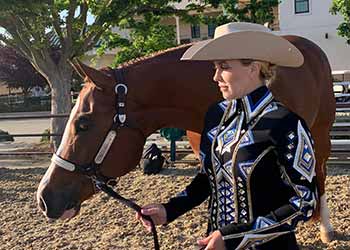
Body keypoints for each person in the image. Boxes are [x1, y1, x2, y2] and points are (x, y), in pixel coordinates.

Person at [136, 22, 317, 250]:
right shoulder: (215, 116)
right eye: (215, 67)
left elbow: (304, 202)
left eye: (223, 67)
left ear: (253, 67)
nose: (215, 77)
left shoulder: (286, 123)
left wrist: (235, 236)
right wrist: (169, 209)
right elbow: (206, 178)